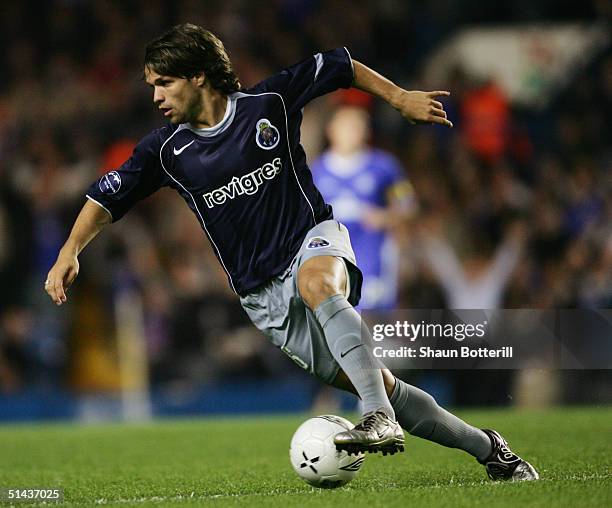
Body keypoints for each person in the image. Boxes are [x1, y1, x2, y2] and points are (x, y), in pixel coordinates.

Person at [45, 23, 537, 480]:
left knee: (317, 284)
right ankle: (490, 450)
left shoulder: (269, 103)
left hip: (314, 239)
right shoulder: (165, 151)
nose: (155, 97)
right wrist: (70, 250)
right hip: (263, 297)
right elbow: (104, 197)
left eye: (165, 83)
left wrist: (399, 97)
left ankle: (376, 419)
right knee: (383, 385)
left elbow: (340, 64)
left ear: (198, 76)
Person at [312, 104, 416, 310]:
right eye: (346, 126)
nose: (352, 132)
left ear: (366, 131)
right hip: (331, 259)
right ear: (331, 130)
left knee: (369, 317)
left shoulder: (385, 167)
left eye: (357, 126)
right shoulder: (316, 172)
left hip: (373, 255)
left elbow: (409, 205)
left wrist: (386, 218)